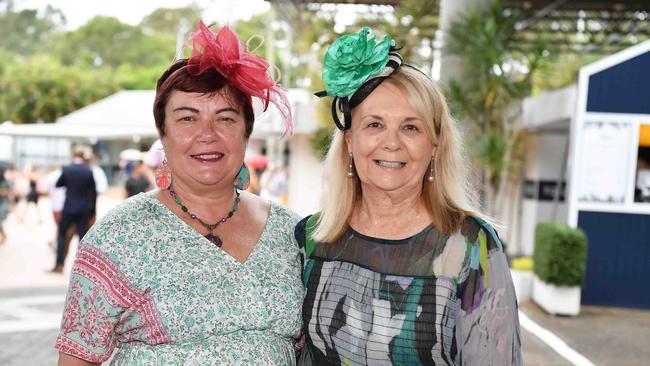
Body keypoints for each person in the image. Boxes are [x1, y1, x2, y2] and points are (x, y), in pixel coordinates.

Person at [55, 21, 303, 365]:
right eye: (187, 119)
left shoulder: (292, 233)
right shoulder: (121, 235)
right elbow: (77, 359)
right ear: (163, 133)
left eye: (225, 119)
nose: (207, 134)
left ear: (246, 131)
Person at [296, 28, 522, 365]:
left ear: (434, 146)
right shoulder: (310, 239)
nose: (391, 143)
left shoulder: (471, 247)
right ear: (349, 141)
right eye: (374, 125)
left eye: (410, 127)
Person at [51, 146, 97, 273]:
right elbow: (93, 194)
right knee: (82, 238)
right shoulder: (88, 171)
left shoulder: (67, 169)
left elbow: (58, 184)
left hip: (69, 207)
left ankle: (59, 264)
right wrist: (93, 212)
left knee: (62, 235)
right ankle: (81, 268)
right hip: (83, 209)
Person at [0, 168, 12, 243]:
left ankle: (4, 235)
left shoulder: (6, 182)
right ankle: (4, 234)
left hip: (4, 204)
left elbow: (10, 192)